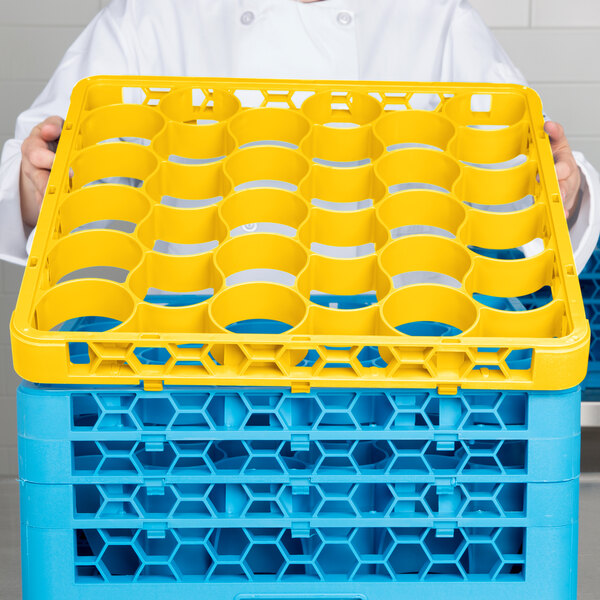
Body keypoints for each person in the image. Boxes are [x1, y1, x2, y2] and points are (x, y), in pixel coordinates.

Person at [0, 0, 598, 272]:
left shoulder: (439, 21)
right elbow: (38, 177)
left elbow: (528, 196)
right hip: (180, 367)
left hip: (401, 374)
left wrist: (561, 193)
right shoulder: (146, 21)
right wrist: (36, 190)